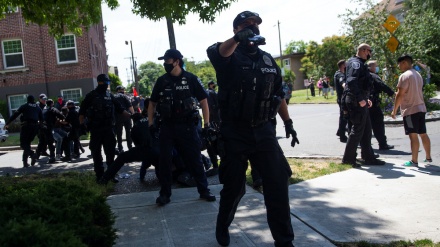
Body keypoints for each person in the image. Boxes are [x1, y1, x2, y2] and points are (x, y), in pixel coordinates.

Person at [207, 10, 299, 247]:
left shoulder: (268, 61)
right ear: (236, 29)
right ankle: (222, 225)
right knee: (235, 188)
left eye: (256, 24)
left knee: (277, 186)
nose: (253, 27)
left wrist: (288, 123)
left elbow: (277, 96)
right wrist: (238, 40)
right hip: (235, 132)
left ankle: (284, 241)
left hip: (263, 131)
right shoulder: (227, 54)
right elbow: (218, 52)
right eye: (246, 24)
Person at [148, 48, 216, 206]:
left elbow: (204, 102)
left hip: (187, 126)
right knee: (164, 161)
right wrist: (151, 123)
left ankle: (204, 190)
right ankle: (165, 194)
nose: (165, 64)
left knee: (195, 159)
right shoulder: (162, 81)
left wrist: (207, 124)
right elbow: (152, 103)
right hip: (167, 127)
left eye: (167, 61)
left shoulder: (191, 79)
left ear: (177, 61)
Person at [79, 74, 131, 182]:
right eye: (105, 82)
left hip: (108, 129)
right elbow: (82, 110)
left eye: (108, 83)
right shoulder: (91, 95)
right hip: (96, 128)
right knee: (96, 153)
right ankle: (99, 175)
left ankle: (110, 175)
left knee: (111, 153)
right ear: (100, 82)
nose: (107, 85)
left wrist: (132, 116)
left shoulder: (110, 95)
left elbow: (120, 109)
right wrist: (82, 124)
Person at [341, 43, 385, 167]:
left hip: (360, 100)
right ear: (364, 50)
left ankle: (368, 156)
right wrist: (361, 99)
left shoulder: (358, 63)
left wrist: (365, 98)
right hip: (356, 101)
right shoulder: (356, 63)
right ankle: (348, 159)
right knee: (357, 130)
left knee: (366, 129)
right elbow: (351, 81)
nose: (370, 54)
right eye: (369, 51)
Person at [391, 54, 432, 167]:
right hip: (421, 108)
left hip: (410, 110)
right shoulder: (417, 74)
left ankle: (414, 161)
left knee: (413, 135)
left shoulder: (404, 76)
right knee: (423, 133)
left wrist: (394, 110)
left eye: (400, 63)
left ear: (404, 62)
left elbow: (400, 94)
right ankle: (428, 157)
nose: (399, 66)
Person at [99, 112, 156, 184]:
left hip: (147, 150)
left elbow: (138, 145)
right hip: (161, 151)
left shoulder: (135, 127)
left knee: (121, 157)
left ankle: (104, 178)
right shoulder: (153, 121)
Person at [4, 95, 43, 167]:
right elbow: (41, 120)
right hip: (35, 127)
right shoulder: (38, 107)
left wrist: (7, 123)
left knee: (23, 144)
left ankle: (32, 154)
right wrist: (39, 128)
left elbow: (15, 114)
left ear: (27, 100)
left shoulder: (24, 106)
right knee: (27, 144)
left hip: (26, 126)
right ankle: (25, 163)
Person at [367, 60, 395, 150]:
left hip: (364, 103)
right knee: (378, 124)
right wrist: (392, 93)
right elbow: (381, 85)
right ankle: (382, 144)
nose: (376, 68)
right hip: (373, 103)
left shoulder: (363, 75)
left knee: (366, 125)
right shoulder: (373, 76)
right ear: (371, 67)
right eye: (375, 66)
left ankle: (365, 146)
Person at [42, 99, 66, 164]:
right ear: (52, 104)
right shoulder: (53, 109)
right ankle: (57, 155)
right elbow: (61, 116)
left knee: (49, 143)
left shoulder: (44, 109)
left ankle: (51, 157)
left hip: (43, 128)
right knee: (59, 139)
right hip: (51, 128)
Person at [205, 81, 220, 176]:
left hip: (211, 120)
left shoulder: (208, 93)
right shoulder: (212, 93)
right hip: (215, 120)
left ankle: (215, 165)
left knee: (211, 143)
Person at [114, 85, 134, 153]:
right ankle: (130, 147)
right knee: (128, 132)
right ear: (120, 90)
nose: (124, 91)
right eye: (123, 90)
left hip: (117, 117)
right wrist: (133, 114)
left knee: (119, 133)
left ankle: (120, 148)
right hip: (126, 116)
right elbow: (130, 106)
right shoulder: (125, 96)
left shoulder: (113, 97)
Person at [334, 60, 348, 143]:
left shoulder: (340, 73)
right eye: (346, 64)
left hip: (342, 98)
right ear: (343, 65)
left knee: (343, 116)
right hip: (342, 99)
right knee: (344, 117)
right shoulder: (340, 74)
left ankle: (340, 131)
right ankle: (342, 136)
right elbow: (343, 83)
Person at [34, 93, 49, 160]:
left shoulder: (45, 105)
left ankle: (43, 151)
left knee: (45, 139)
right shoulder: (37, 106)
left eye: (45, 99)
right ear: (39, 99)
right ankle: (36, 155)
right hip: (39, 125)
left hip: (45, 124)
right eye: (43, 99)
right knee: (42, 140)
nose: (44, 100)